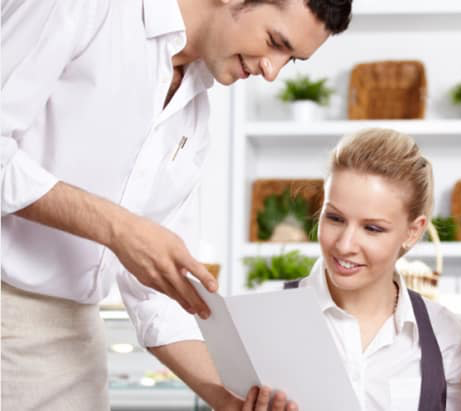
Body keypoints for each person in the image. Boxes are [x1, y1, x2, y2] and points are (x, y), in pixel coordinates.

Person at [0, 0, 352, 409]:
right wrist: (118, 228)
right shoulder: (86, 8)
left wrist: (228, 399)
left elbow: (158, 296)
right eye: (275, 42)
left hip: (74, 335)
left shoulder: (195, 116)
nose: (271, 71)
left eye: (289, 61)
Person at [284, 128, 461, 410]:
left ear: (413, 232)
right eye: (335, 218)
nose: (345, 245)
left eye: (372, 228)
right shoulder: (267, 316)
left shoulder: (447, 336)